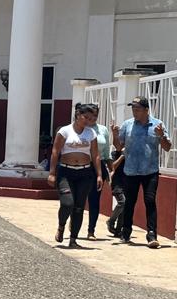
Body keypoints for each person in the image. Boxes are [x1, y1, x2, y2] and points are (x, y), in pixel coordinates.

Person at [112, 96, 172, 248]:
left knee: (150, 201)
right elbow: (119, 147)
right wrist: (114, 135)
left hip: (150, 170)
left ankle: (152, 234)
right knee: (129, 202)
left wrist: (161, 136)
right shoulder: (128, 125)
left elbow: (167, 147)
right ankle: (125, 233)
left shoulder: (157, 125)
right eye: (133, 109)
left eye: (137, 109)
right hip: (131, 170)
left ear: (146, 110)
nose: (134, 112)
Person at [47, 103, 103, 249]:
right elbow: (55, 151)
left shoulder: (91, 133)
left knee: (79, 207)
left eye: (91, 118)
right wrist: (52, 173)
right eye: (86, 117)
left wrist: (99, 175)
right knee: (67, 203)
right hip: (66, 172)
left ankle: (73, 239)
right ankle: (61, 225)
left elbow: (95, 155)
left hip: (85, 173)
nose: (88, 120)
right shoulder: (65, 131)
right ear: (78, 115)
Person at [83, 103, 112, 240]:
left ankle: (91, 231)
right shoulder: (79, 129)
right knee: (78, 199)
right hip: (81, 165)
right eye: (91, 115)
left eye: (96, 115)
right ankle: (73, 220)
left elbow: (106, 151)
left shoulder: (102, 130)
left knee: (94, 200)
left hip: (97, 166)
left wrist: (110, 168)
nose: (93, 118)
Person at [105, 148, 128, 237]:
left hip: (127, 182)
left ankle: (118, 230)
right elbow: (112, 167)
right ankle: (111, 221)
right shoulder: (114, 153)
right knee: (122, 202)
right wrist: (122, 156)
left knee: (124, 206)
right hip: (117, 183)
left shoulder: (130, 154)